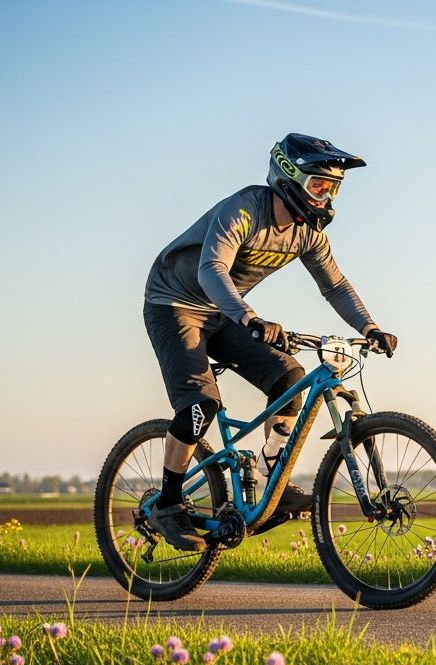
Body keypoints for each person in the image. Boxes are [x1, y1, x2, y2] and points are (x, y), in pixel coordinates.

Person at [141, 133, 396, 551]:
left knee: (290, 379)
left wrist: (369, 327)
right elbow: (210, 269)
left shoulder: (306, 234)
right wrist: (250, 318)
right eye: (319, 185)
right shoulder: (242, 211)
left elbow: (334, 286)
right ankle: (167, 505)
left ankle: (270, 483)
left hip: (226, 312)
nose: (326, 196)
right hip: (175, 304)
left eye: (332, 189)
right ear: (290, 179)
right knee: (200, 406)